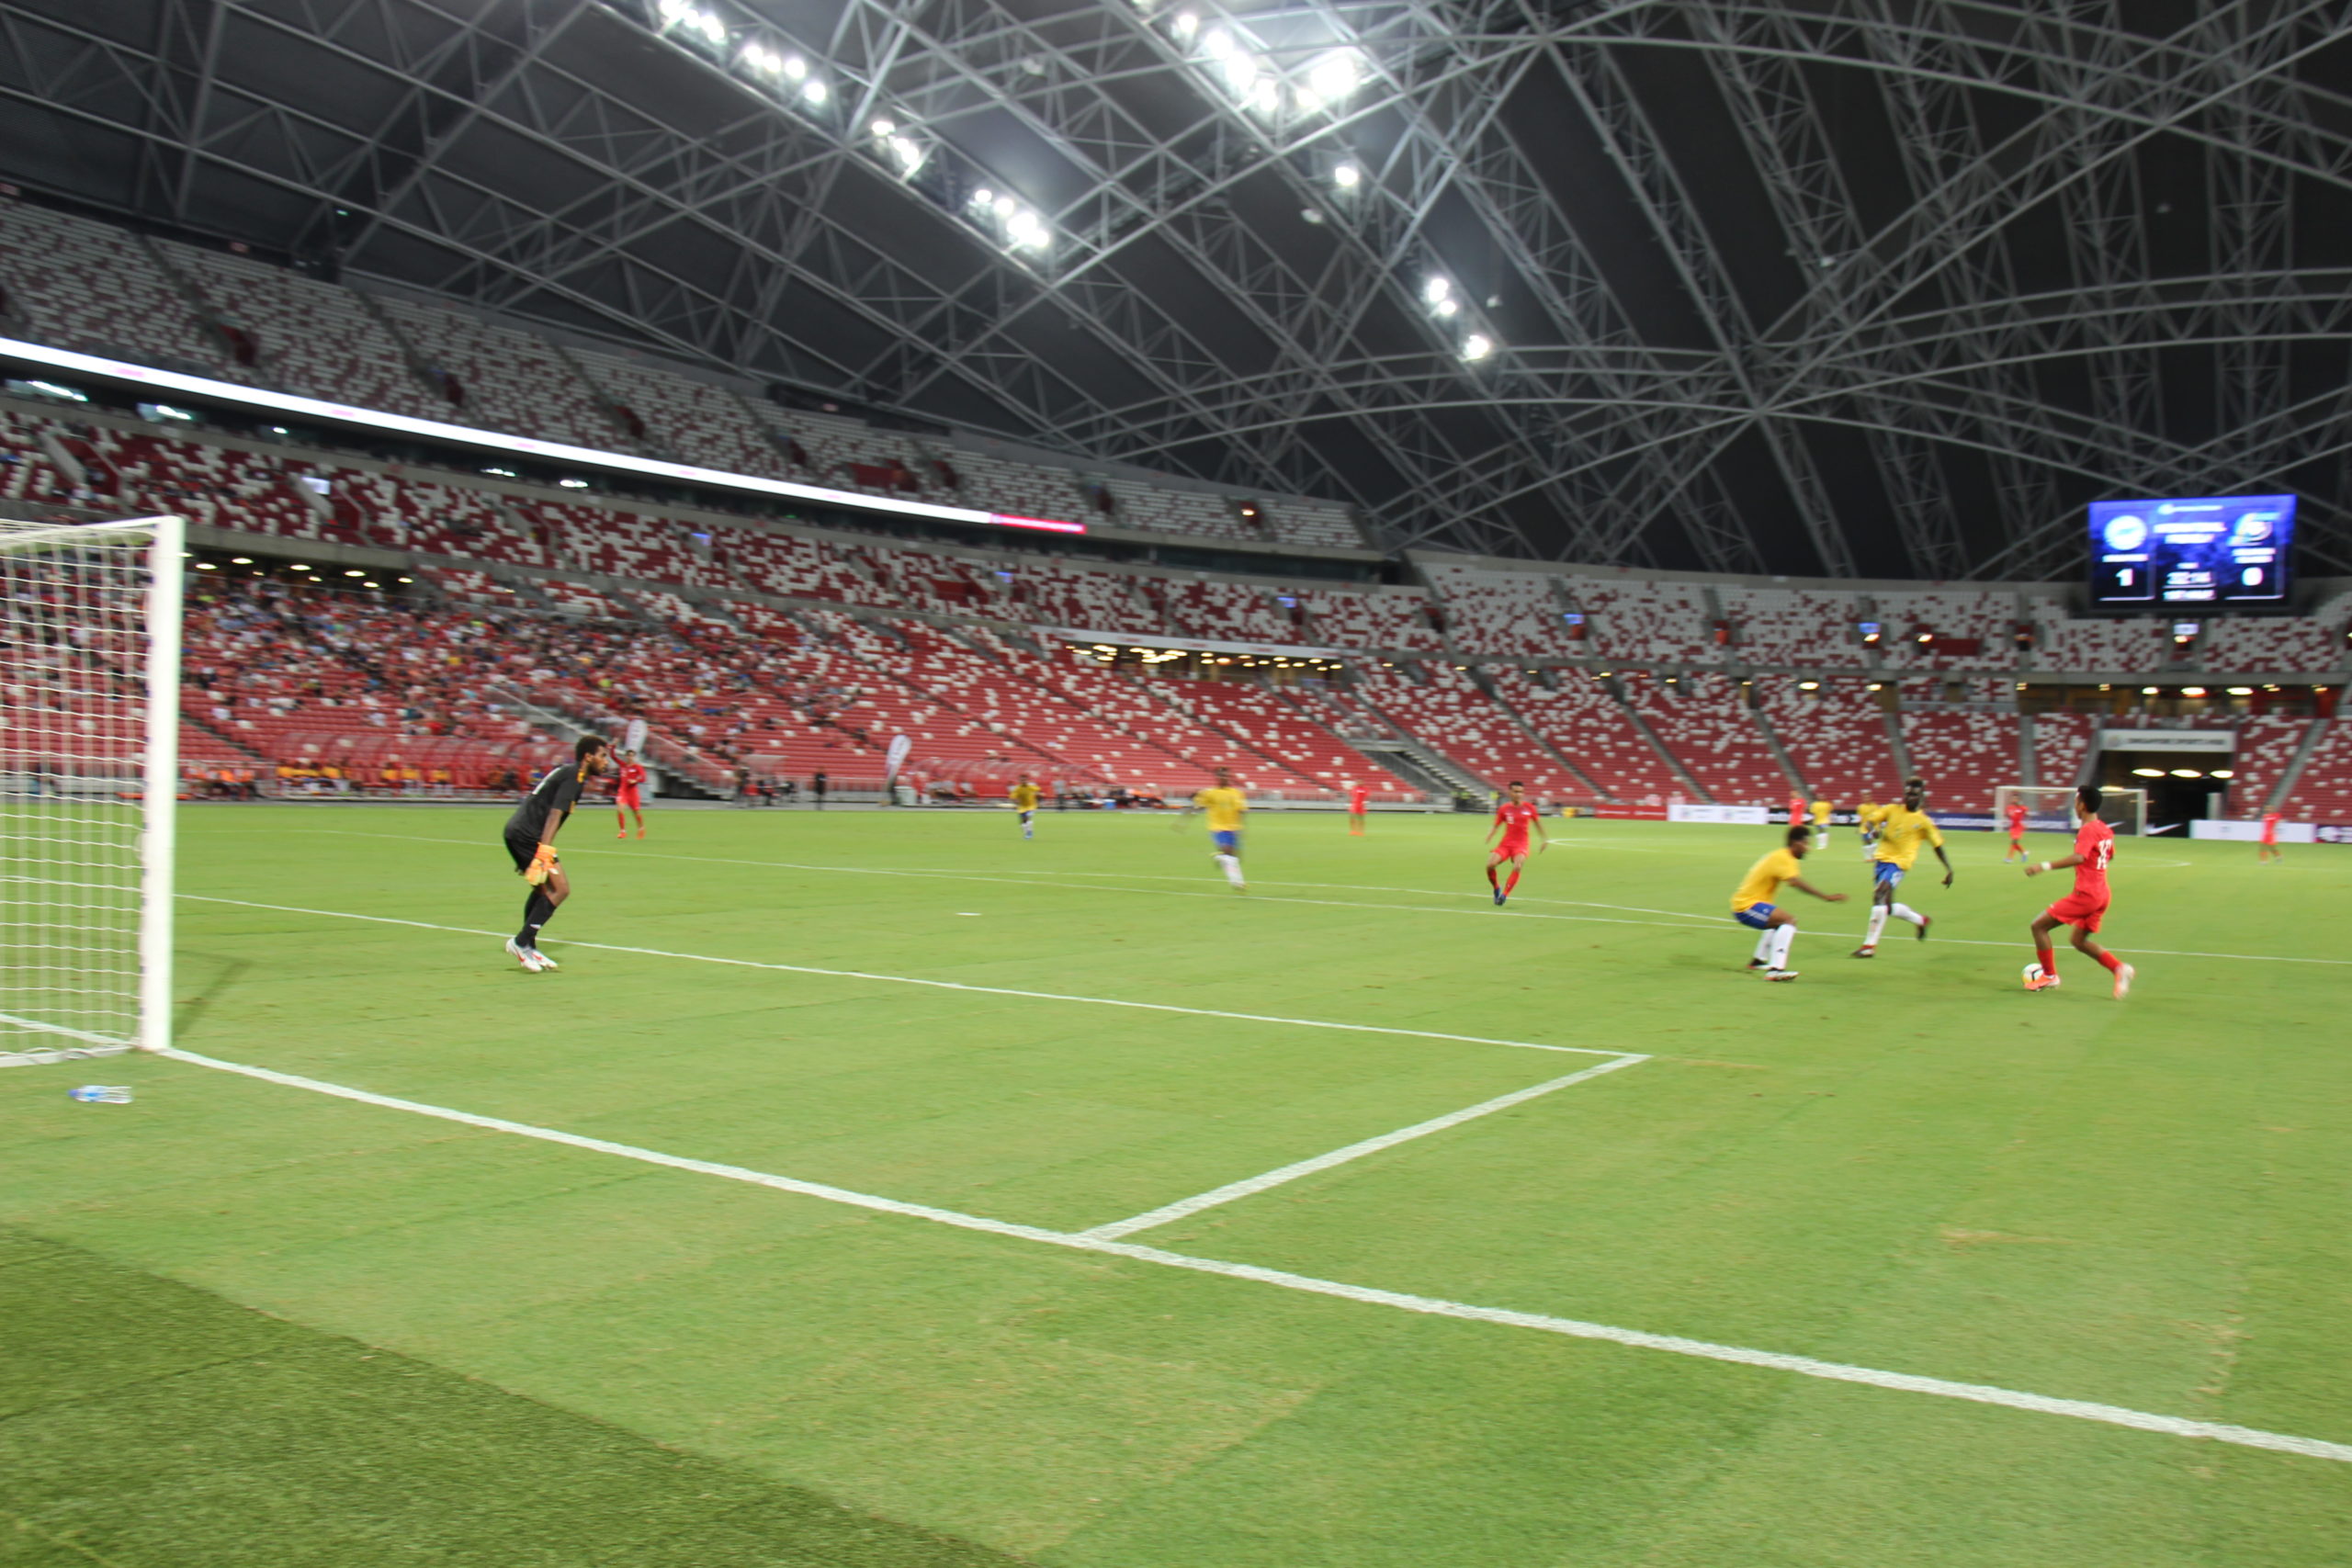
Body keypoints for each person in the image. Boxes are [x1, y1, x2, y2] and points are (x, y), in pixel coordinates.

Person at [503, 736, 612, 973]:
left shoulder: (570, 773)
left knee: (541, 890)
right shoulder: (574, 778)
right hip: (528, 836)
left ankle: (529, 945)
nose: (607, 762)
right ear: (588, 756)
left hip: (519, 833)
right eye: (603, 756)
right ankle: (520, 942)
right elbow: (554, 815)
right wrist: (544, 850)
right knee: (561, 889)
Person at [2024, 784, 2134, 998]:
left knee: (2038, 926)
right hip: (2102, 893)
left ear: (2082, 805)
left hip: (2087, 895)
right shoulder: (2104, 829)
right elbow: (2109, 855)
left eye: (2075, 801)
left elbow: (2079, 857)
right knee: (2078, 941)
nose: (2074, 805)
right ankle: (2119, 969)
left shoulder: (2088, 830)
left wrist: (2043, 866)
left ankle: (2049, 975)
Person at [1731, 824, 1849, 982]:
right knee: (1788, 921)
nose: (1808, 848)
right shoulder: (1784, 858)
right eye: (1806, 844)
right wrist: (1825, 896)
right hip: (1746, 906)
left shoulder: (1781, 856)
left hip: (1751, 903)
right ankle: (1775, 970)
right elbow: (1795, 882)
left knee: (1778, 922)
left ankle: (1758, 962)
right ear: (1795, 843)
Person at [1852, 776, 1952, 957]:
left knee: (1879, 895)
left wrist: (1949, 869)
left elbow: (1937, 846)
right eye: (1907, 794)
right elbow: (1871, 821)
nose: (1909, 798)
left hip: (1899, 864)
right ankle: (1921, 920)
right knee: (1887, 907)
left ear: (1921, 797)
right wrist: (1872, 829)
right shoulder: (1892, 809)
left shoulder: (1923, 822)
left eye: (1914, 795)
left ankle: (1869, 946)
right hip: (1881, 860)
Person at [1484, 780, 1549, 906]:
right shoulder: (1504, 809)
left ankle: (1504, 895)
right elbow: (1496, 825)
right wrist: (1490, 835)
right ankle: (1496, 888)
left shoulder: (1529, 808)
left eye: (1520, 792)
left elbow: (1538, 824)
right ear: (1510, 792)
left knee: (1518, 866)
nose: (1518, 794)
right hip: (1506, 844)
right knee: (1490, 865)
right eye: (1515, 791)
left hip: (1521, 845)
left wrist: (1544, 839)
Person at [1185, 766, 1249, 892]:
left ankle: (1220, 858)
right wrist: (1187, 817)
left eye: (1227, 775)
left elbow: (1241, 810)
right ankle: (1238, 882)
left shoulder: (1236, 793)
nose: (1225, 778)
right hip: (1218, 828)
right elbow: (1199, 806)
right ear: (1217, 777)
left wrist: (1241, 827)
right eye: (1222, 776)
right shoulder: (1211, 793)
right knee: (1228, 853)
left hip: (1233, 828)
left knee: (1234, 858)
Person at [615, 750, 649, 838]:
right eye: (628, 755)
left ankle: (641, 828)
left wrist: (635, 780)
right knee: (620, 809)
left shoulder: (637, 767)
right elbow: (613, 756)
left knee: (636, 812)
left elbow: (643, 778)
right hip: (623, 791)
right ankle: (623, 831)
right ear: (626, 756)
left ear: (634, 757)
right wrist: (613, 745)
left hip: (632, 792)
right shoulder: (623, 765)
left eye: (632, 756)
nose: (630, 757)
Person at [1010, 773, 1040, 839]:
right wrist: (1016, 801)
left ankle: (1029, 833)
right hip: (1022, 807)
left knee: (1027, 817)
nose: (1023, 781)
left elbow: (1038, 790)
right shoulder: (1017, 788)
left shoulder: (1031, 786)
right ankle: (1028, 832)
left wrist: (1038, 794)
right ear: (1019, 781)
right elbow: (1013, 797)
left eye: (1024, 780)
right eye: (1021, 780)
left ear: (1027, 780)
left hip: (1031, 806)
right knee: (1022, 824)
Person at [2002, 795, 2030, 863]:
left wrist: (2027, 823)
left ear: (2018, 800)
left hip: (2019, 827)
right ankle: (2024, 853)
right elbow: (2006, 815)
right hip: (2012, 827)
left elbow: (2027, 815)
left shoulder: (2023, 808)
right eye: (2013, 798)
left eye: (2015, 799)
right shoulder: (2009, 807)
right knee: (2015, 843)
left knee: (2014, 841)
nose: (2014, 800)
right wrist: (2006, 819)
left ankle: (2009, 858)